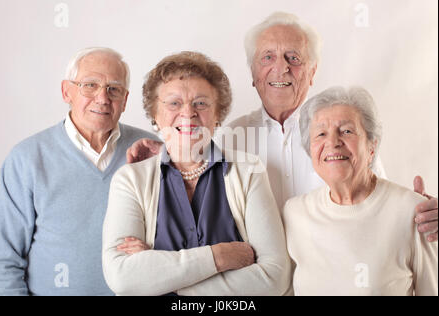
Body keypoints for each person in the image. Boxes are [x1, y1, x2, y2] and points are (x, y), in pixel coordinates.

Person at [126, 12, 438, 242]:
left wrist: (416, 213)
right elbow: (192, 171)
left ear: (312, 71)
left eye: (293, 57)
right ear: (252, 72)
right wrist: (163, 150)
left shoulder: (345, 134)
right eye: (268, 57)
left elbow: (381, 204)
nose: (281, 67)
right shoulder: (229, 136)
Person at [102, 51, 290, 296]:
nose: (188, 113)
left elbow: (274, 278)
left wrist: (159, 278)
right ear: (155, 115)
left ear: (218, 115)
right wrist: (219, 257)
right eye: (174, 103)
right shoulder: (130, 180)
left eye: (201, 103)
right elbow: (123, 278)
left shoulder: (248, 171)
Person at [0, 47, 156, 295]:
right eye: (90, 85)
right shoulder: (27, 158)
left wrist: (156, 252)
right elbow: (3, 259)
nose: (102, 98)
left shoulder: (150, 151)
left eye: (114, 89)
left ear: (125, 100)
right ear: (66, 91)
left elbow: (183, 241)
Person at [283, 86, 437, 296]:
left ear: (372, 147)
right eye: (320, 134)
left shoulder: (411, 211)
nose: (332, 143)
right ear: (310, 150)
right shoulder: (294, 214)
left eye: (346, 131)